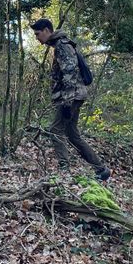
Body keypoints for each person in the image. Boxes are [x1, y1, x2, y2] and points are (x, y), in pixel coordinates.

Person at [31, 18, 111, 181]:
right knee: (72, 134)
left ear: (47, 30)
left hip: (71, 96)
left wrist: (66, 102)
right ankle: (101, 169)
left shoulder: (62, 45)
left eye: (38, 34)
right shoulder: (61, 45)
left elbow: (70, 73)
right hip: (75, 95)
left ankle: (64, 170)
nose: (37, 38)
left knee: (55, 129)